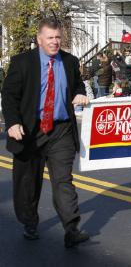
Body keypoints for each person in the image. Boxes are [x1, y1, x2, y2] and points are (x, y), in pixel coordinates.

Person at [1, 18, 90, 247]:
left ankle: (71, 228)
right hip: (30, 131)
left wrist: (80, 93)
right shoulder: (22, 63)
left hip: (60, 130)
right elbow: (9, 95)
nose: (55, 42)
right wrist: (12, 123)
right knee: (29, 181)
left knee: (63, 181)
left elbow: (78, 85)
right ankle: (30, 223)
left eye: (58, 37)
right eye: (50, 38)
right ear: (40, 39)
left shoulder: (70, 62)